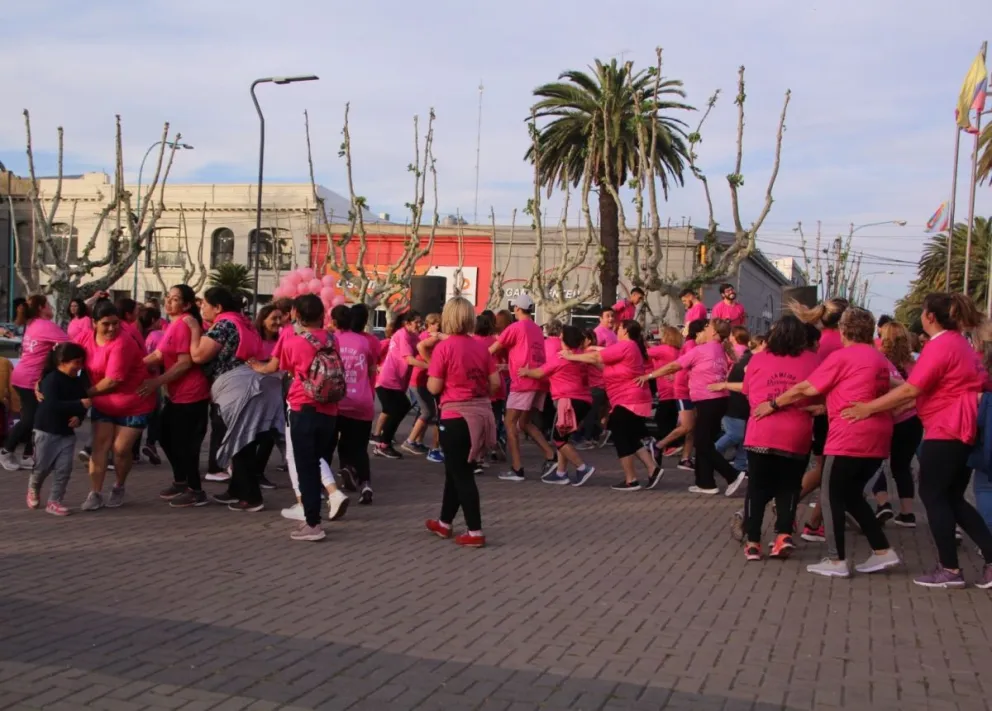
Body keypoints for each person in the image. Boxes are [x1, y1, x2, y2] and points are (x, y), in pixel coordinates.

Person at [843, 293, 992, 589]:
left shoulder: (942, 345)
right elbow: (921, 389)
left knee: (935, 496)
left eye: (924, 311)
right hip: (960, 426)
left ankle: (950, 569)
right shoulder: (959, 343)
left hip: (948, 428)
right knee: (951, 498)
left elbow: (913, 389)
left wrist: (868, 408)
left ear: (930, 317)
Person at [755, 307, 899, 579]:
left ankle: (836, 560)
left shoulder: (843, 357)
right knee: (852, 495)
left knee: (831, 494)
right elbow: (893, 387)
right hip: (878, 437)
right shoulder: (878, 359)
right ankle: (882, 550)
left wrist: (772, 404)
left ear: (844, 330)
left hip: (849, 437)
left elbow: (805, 388)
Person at [713, 317, 816, 560]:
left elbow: (748, 391)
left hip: (761, 431)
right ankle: (782, 535)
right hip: (796, 433)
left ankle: (753, 542)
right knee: (789, 487)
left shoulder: (758, 359)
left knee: (757, 488)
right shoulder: (812, 361)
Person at [189, 287, 285, 513]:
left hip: (236, 389)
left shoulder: (224, 325)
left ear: (218, 307)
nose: (202, 307)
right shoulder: (244, 323)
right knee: (245, 440)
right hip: (253, 386)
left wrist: (194, 330)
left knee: (240, 442)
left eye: (205, 303)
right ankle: (235, 489)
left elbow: (198, 355)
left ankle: (251, 497)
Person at [425, 297, 500, 547]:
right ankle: (444, 522)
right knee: (455, 472)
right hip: (479, 414)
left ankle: (475, 531)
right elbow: (496, 384)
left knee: (462, 475)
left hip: (455, 415)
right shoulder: (481, 347)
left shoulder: (444, 349)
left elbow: (434, 386)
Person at [643, 319, 745, 495]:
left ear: (713, 333)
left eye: (706, 327)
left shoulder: (703, 349)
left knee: (702, 443)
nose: (702, 330)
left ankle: (732, 475)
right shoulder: (720, 349)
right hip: (717, 401)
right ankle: (705, 483)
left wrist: (649, 375)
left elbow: (675, 365)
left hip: (709, 401)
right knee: (704, 441)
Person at [77, 299, 158, 511]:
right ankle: (95, 492)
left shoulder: (123, 343)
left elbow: (113, 380)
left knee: (121, 449)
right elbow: (67, 358)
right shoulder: (86, 338)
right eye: (106, 324)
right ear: (95, 323)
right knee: (100, 447)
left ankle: (119, 485)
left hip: (133, 402)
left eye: (115, 323)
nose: (112, 328)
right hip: (104, 403)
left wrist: (83, 394)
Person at [273, 294, 341, 541]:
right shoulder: (333, 340)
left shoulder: (295, 342)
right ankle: (315, 515)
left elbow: (284, 368)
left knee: (306, 468)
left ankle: (312, 524)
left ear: (296, 315)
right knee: (318, 461)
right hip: (330, 410)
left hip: (304, 408)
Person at [567, 320, 662, 491]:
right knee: (630, 436)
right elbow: (603, 363)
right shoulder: (629, 347)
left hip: (629, 399)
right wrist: (586, 357)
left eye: (619, 328)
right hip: (629, 398)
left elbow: (597, 357)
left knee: (620, 435)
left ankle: (631, 479)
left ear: (625, 330)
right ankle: (652, 468)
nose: (616, 330)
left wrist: (570, 356)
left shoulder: (626, 345)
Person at [141, 285, 212, 508]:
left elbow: (184, 363)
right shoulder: (173, 324)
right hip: (176, 395)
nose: (169, 302)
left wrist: (156, 382)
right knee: (164, 434)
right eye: (168, 298)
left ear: (187, 304)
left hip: (191, 395)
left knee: (185, 444)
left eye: (175, 299)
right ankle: (181, 480)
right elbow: (159, 354)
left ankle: (195, 490)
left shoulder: (184, 324)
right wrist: (132, 367)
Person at [789, 297, 850, 543]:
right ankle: (802, 513)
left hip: (822, 411)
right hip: (832, 411)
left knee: (826, 469)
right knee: (830, 471)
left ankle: (809, 517)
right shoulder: (842, 345)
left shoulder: (821, 342)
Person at [489, 294, 556, 481]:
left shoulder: (516, 327)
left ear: (517, 308)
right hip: (538, 380)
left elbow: (493, 348)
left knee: (510, 423)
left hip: (523, 381)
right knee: (525, 423)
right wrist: (506, 366)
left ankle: (517, 468)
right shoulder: (535, 328)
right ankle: (551, 455)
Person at [519, 325, 596, 486]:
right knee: (564, 438)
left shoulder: (560, 357)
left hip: (568, 401)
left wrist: (525, 372)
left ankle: (582, 468)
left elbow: (540, 373)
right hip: (584, 401)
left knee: (558, 439)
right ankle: (561, 473)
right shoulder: (580, 356)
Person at [1, 295, 68, 471]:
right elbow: (71, 346)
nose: (51, 308)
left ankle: (28, 455)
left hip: (24, 376)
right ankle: (6, 451)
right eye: (48, 305)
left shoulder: (33, 324)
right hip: (29, 380)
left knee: (36, 419)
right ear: (41, 308)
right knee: (30, 419)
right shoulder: (46, 325)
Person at [27, 342, 91, 516]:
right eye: (76, 362)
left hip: (66, 434)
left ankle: (54, 501)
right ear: (62, 361)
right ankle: (34, 486)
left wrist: (79, 417)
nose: (78, 367)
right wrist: (78, 404)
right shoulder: (51, 379)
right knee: (42, 467)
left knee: (64, 468)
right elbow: (51, 405)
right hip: (46, 430)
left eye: (81, 362)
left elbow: (83, 404)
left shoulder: (77, 382)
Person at [870, 321, 923, 527]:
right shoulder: (915, 363)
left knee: (875, 463)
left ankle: (883, 503)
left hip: (886, 419)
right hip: (912, 421)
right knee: (902, 466)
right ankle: (907, 513)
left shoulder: (880, 361)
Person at [333, 304, 378, 504]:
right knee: (360, 447)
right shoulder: (363, 341)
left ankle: (346, 470)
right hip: (363, 400)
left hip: (339, 401)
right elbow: (371, 369)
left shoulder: (333, 341)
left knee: (339, 442)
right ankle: (366, 484)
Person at [373, 311, 426, 459]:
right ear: (407, 323)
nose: (419, 325)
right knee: (399, 408)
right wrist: (430, 366)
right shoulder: (402, 335)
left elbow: (422, 346)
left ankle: (383, 442)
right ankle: (383, 444)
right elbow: (409, 359)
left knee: (397, 409)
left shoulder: (413, 336)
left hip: (397, 382)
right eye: (416, 322)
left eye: (420, 321)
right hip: (388, 381)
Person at [654, 319, 705, 468]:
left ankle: (685, 458)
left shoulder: (695, 346)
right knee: (687, 426)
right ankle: (658, 446)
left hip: (691, 390)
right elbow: (683, 365)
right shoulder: (689, 346)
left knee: (692, 426)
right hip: (684, 390)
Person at [714, 333, 765, 478]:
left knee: (745, 437)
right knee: (736, 434)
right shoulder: (750, 360)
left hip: (741, 404)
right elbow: (747, 384)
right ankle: (711, 454)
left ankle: (741, 465)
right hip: (734, 403)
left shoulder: (748, 357)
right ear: (761, 344)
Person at [405, 312, 444, 462]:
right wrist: (431, 364)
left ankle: (418, 441)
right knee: (429, 412)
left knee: (427, 411)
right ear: (429, 324)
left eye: (438, 323)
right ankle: (410, 440)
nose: (437, 326)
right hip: (419, 380)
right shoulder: (429, 337)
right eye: (434, 323)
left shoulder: (429, 336)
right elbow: (420, 348)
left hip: (423, 379)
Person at [472, 311, 506, 469]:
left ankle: (478, 456)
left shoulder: (472, 342)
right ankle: (489, 452)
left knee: (478, 425)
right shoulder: (496, 341)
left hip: (479, 388)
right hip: (497, 387)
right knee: (494, 424)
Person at [647, 326, 682, 447]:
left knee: (661, 418)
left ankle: (667, 444)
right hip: (676, 389)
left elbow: (643, 353)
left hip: (665, 388)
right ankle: (673, 443)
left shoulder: (662, 349)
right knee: (671, 417)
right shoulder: (677, 350)